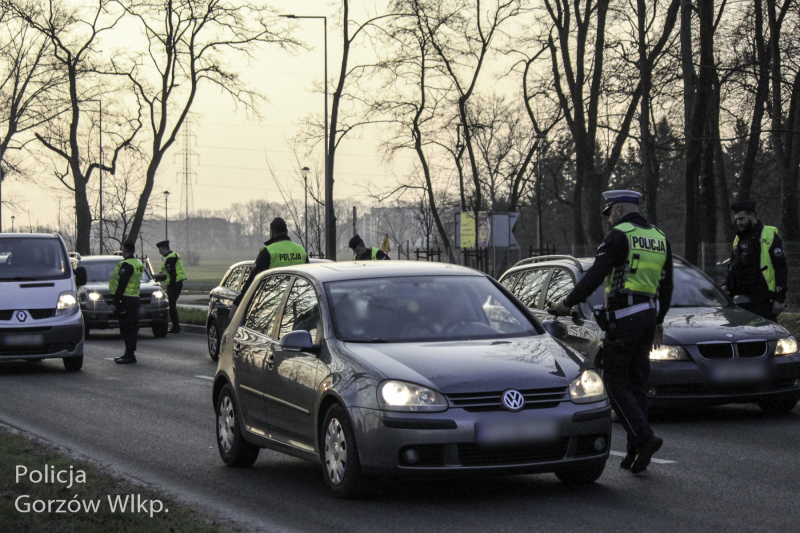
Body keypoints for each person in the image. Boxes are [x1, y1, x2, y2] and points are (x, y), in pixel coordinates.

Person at [554, 189, 673, 475]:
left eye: (610, 214)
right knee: (637, 383)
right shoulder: (659, 237)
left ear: (618, 209)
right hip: (647, 316)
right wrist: (659, 320)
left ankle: (645, 439)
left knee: (614, 382)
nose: (609, 220)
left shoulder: (620, 235)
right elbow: (667, 285)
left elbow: (596, 273)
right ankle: (634, 451)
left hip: (624, 318)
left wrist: (567, 302)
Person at [722, 200, 788, 321]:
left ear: (751, 215)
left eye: (741, 219)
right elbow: (732, 265)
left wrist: (780, 298)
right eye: (737, 219)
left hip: (763, 300)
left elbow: (781, 268)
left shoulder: (768, 235)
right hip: (741, 299)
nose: (738, 223)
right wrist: (726, 284)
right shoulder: (739, 238)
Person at [230, 217, 308, 316]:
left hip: (274, 306)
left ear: (272, 232)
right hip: (300, 303)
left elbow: (253, 281)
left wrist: (237, 303)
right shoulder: (301, 250)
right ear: (286, 231)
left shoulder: (268, 252)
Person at [109, 240, 145, 365]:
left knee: (126, 328)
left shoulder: (126, 265)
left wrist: (115, 301)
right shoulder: (138, 263)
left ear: (124, 249)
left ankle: (130, 354)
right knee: (133, 328)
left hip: (126, 300)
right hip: (135, 298)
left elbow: (122, 284)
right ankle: (129, 353)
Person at [153, 240, 186, 333]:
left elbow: (171, 272)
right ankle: (176, 326)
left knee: (171, 305)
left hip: (174, 284)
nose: (159, 252)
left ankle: (176, 327)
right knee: (172, 305)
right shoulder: (172, 256)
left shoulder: (170, 258)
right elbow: (167, 272)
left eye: (160, 250)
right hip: (176, 283)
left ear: (164, 248)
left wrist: (169, 282)